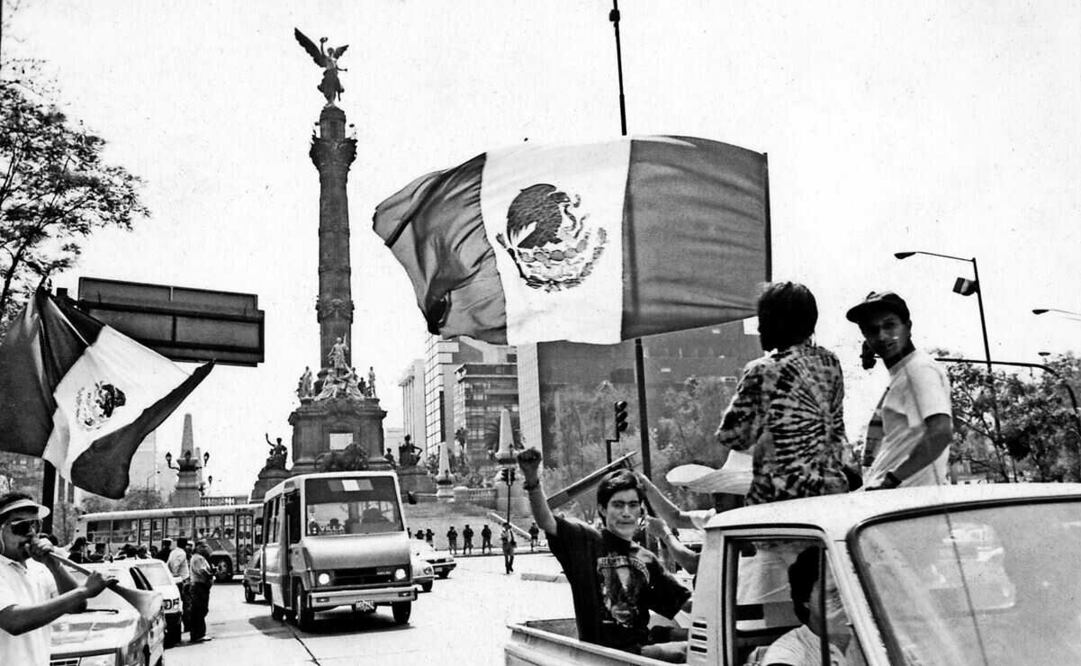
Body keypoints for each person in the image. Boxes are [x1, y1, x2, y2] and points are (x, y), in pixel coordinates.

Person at [517, 449, 692, 657]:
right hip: (606, 656)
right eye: (618, 505)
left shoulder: (647, 559)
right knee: (683, 652)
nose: (626, 513)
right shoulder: (586, 541)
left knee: (696, 645)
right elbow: (546, 521)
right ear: (602, 509)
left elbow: (684, 603)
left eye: (633, 505)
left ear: (640, 511)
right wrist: (532, 479)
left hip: (641, 647)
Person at [715, 281, 851, 505]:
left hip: (782, 500)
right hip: (831, 495)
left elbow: (733, 437)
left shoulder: (762, 370)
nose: (759, 328)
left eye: (762, 319)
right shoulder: (830, 363)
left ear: (774, 322)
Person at [846, 291, 953, 489]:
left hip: (909, 498)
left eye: (889, 325)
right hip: (894, 497)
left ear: (908, 327)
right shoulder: (903, 373)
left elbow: (940, 432)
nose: (882, 336)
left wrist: (892, 480)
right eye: (872, 330)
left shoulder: (919, 369)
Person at [0, 492, 113, 665]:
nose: (31, 533)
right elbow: (14, 621)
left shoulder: (39, 568)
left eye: (35, 525)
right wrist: (84, 591)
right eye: (21, 527)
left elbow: (77, 606)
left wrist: (55, 566)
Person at [761, 546, 865, 666]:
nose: (845, 601)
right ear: (805, 599)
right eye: (833, 592)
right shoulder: (788, 652)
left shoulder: (867, 636)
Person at [188, 541, 214, 642]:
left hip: (199, 587)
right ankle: (199, 634)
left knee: (199, 610)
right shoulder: (198, 558)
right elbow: (202, 571)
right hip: (199, 587)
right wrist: (211, 574)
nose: (204, 549)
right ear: (198, 547)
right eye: (202, 547)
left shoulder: (198, 557)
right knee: (200, 610)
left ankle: (196, 634)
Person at [168, 537, 192, 632]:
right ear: (184, 545)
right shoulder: (182, 553)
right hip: (183, 580)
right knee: (187, 604)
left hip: (177, 580)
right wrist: (176, 574)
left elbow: (169, 564)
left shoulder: (173, 552)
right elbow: (175, 565)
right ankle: (187, 625)